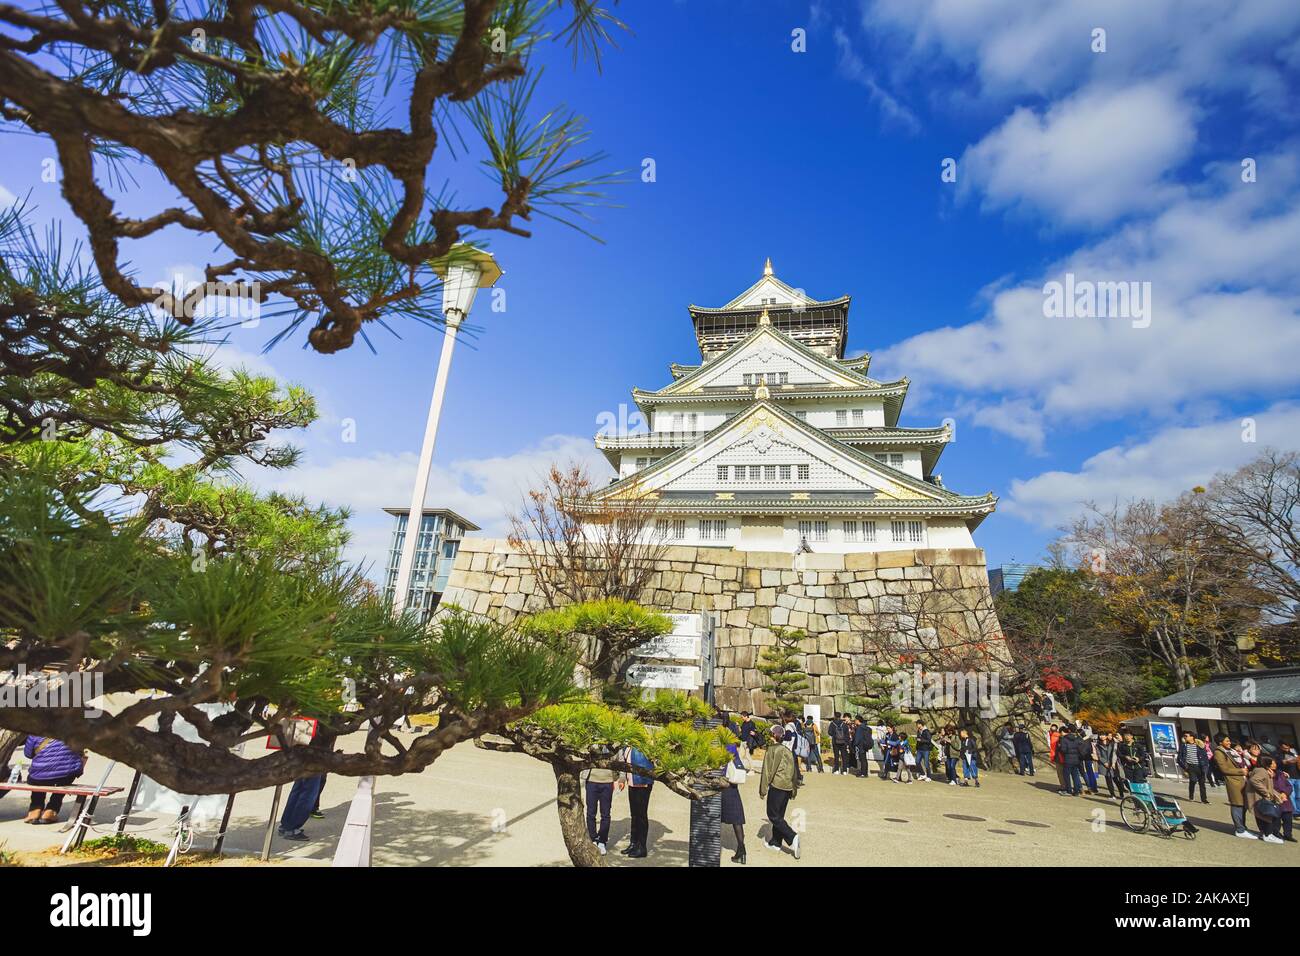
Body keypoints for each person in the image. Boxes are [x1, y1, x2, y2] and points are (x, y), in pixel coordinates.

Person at [277, 722, 337, 841]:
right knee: (308, 792)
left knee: (299, 789)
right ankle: (292, 827)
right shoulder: (324, 720)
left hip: (303, 750)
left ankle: (287, 824)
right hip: (315, 753)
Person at [22, 736, 86, 825]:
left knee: (37, 779)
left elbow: (28, 754)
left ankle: (35, 810)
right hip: (64, 777)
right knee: (63, 779)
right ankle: (51, 810)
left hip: (37, 777)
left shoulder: (34, 730)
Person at [758, 724, 800, 858]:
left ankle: (792, 836)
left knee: (773, 815)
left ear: (772, 735)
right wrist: (794, 789)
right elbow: (794, 772)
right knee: (779, 816)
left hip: (777, 786)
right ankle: (775, 843)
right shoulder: (787, 750)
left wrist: (762, 789)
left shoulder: (772, 750)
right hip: (787, 787)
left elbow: (767, 771)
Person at [1213, 735, 1254, 840]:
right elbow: (1224, 769)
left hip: (1242, 780)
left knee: (1243, 805)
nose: (1229, 742)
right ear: (1220, 742)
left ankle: (1243, 827)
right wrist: (1240, 771)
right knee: (1237, 805)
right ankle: (1240, 829)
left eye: (1229, 740)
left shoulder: (1231, 750)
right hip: (1233, 781)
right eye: (1227, 740)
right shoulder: (1219, 752)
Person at [1245, 755, 1286, 844]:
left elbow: (1267, 785)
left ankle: (1266, 834)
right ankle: (1267, 835)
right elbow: (1255, 780)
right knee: (1267, 816)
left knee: (1264, 816)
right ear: (1267, 763)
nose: (1275, 764)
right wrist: (1266, 793)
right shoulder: (1262, 771)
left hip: (1260, 798)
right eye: (1273, 762)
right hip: (1260, 798)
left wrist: (1277, 795)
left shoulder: (1263, 770)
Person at [622, 745, 654, 858]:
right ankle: (633, 843)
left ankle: (642, 847)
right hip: (632, 782)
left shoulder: (644, 743)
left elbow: (650, 761)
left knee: (641, 815)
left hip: (642, 782)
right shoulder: (628, 744)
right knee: (634, 814)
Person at [721, 741, 747, 863]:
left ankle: (708, 845)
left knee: (712, 815)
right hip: (730, 785)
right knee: (736, 818)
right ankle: (741, 848)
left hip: (718, 782)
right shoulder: (730, 743)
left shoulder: (716, 741)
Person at [584, 764, 617, 856]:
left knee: (605, 814)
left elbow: (620, 759)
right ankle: (593, 839)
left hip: (608, 781)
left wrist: (621, 778)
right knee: (591, 812)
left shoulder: (614, 749)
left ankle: (602, 840)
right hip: (591, 780)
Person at [1177, 731, 1209, 804]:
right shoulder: (1183, 745)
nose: (1184, 737)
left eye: (1186, 736)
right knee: (1193, 781)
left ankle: (1204, 799)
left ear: (1192, 737)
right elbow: (1179, 758)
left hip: (1200, 766)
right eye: (1184, 736)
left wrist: (1205, 766)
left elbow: (1205, 757)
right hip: (1190, 766)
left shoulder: (1200, 745)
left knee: (1202, 783)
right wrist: (1185, 767)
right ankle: (1191, 796)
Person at [1057, 727, 1086, 796]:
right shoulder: (1076, 738)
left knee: (1066, 775)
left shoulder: (1064, 739)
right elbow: (1080, 748)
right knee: (1075, 775)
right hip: (1076, 759)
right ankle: (1076, 791)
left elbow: (1063, 750)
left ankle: (1069, 790)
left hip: (1068, 759)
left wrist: (1060, 747)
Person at [1097, 732, 1123, 798]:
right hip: (1104, 764)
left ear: (1106, 736)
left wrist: (1112, 762)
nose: (1101, 736)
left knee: (1116, 779)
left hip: (1113, 763)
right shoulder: (1098, 744)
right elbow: (1098, 755)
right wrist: (1104, 762)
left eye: (1103, 735)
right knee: (1108, 780)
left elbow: (1115, 753)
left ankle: (1121, 793)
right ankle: (1112, 795)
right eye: (1100, 735)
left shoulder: (1112, 743)